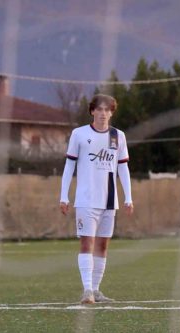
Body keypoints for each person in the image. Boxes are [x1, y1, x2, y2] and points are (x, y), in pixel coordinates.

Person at [59, 94, 133, 304]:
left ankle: (97, 290)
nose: (103, 113)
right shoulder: (79, 134)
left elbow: (123, 167)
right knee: (87, 243)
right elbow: (69, 166)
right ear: (92, 111)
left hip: (109, 201)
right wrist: (63, 196)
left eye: (107, 110)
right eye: (99, 109)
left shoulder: (118, 136)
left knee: (102, 246)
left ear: (112, 113)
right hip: (86, 200)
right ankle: (87, 290)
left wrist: (128, 197)